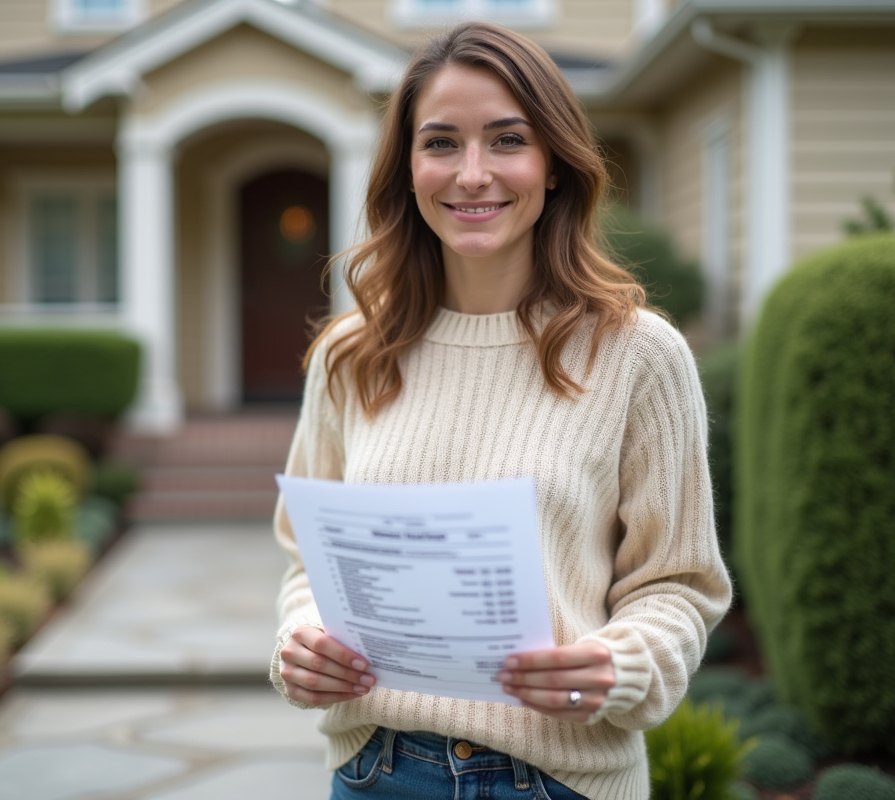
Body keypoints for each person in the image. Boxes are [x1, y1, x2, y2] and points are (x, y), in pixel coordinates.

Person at [269, 21, 732, 800]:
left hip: (560, 778)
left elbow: (679, 584)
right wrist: (302, 641)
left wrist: (619, 665)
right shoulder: (352, 353)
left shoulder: (638, 355)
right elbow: (307, 562)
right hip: (375, 772)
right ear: (407, 169)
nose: (473, 173)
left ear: (554, 166)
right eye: (441, 143)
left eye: (508, 140)